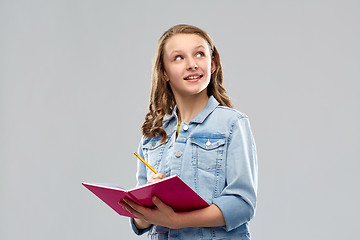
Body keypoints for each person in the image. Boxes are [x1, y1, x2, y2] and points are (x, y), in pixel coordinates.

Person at [119, 24, 258, 239]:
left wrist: (177, 221)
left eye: (200, 54)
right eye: (179, 58)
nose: (192, 64)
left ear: (213, 64)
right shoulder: (153, 134)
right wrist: (147, 202)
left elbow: (242, 204)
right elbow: (140, 221)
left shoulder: (232, 123)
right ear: (164, 72)